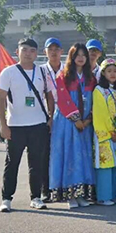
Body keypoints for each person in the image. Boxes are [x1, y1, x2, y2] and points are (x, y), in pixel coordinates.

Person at [0, 38, 55, 213]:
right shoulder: (8, 72)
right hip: (15, 125)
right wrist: (3, 125)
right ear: (17, 52)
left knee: (36, 163)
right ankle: (6, 199)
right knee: (12, 163)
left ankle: (35, 197)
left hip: (38, 124)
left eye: (32, 50)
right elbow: (0, 99)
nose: (28, 53)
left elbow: (50, 96)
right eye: (25, 50)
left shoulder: (43, 72)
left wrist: (50, 118)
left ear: (37, 54)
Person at [49, 43, 96, 209]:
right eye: (77, 55)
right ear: (72, 57)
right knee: (69, 155)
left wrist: (88, 119)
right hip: (67, 122)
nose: (81, 58)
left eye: (84, 55)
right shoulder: (63, 75)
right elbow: (63, 99)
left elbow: (95, 99)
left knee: (83, 156)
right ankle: (70, 195)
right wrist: (76, 119)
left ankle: (81, 194)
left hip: (85, 123)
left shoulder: (91, 78)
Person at [92, 58, 116, 206]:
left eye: (115, 71)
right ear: (103, 73)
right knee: (105, 164)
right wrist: (110, 131)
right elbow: (100, 113)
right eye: (109, 71)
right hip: (104, 133)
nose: (112, 74)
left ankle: (113, 194)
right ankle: (103, 196)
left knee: (115, 164)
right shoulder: (99, 91)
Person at [42, 37, 63, 201]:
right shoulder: (40, 71)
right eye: (50, 49)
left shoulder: (68, 71)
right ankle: (45, 189)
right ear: (45, 52)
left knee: (63, 152)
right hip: (45, 116)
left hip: (65, 115)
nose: (54, 52)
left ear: (62, 52)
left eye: (56, 49)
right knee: (45, 153)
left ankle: (62, 188)